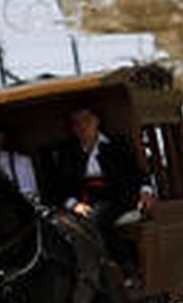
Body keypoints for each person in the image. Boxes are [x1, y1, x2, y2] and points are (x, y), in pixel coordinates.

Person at [53, 106, 154, 275]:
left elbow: (138, 174)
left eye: (86, 120)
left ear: (97, 121)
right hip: (84, 202)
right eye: (76, 123)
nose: (82, 126)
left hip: (117, 198)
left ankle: (122, 264)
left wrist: (146, 193)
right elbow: (60, 186)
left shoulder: (117, 145)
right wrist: (74, 205)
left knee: (96, 219)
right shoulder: (68, 152)